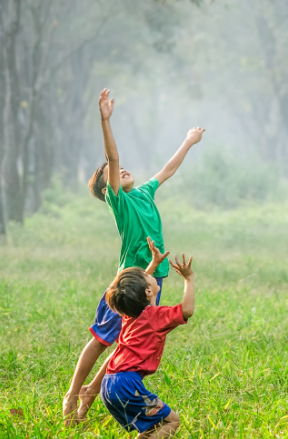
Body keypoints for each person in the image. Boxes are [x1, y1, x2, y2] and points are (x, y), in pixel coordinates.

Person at [61, 89, 204, 423]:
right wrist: (105, 120)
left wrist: (188, 141)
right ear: (105, 190)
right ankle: (72, 395)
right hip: (129, 281)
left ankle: (87, 403)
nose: (120, 169)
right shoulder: (120, 202)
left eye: (123, 168)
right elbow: (112, 158)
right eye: (110, 173)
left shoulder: (143, 192)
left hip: (155, 277)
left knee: (130, 342)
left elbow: (167, 169)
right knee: (101, 339)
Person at [101, 253, 196, 438]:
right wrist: (189, 278)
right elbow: (187, 310)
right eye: (149, 276)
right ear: (148, 292)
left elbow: (134, 291)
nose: (151, 275)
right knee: (172, 421)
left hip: (109, 384)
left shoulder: (130, 315)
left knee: (150, 428)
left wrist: (153, 263)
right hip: (127, 385)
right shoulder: (155, 317)